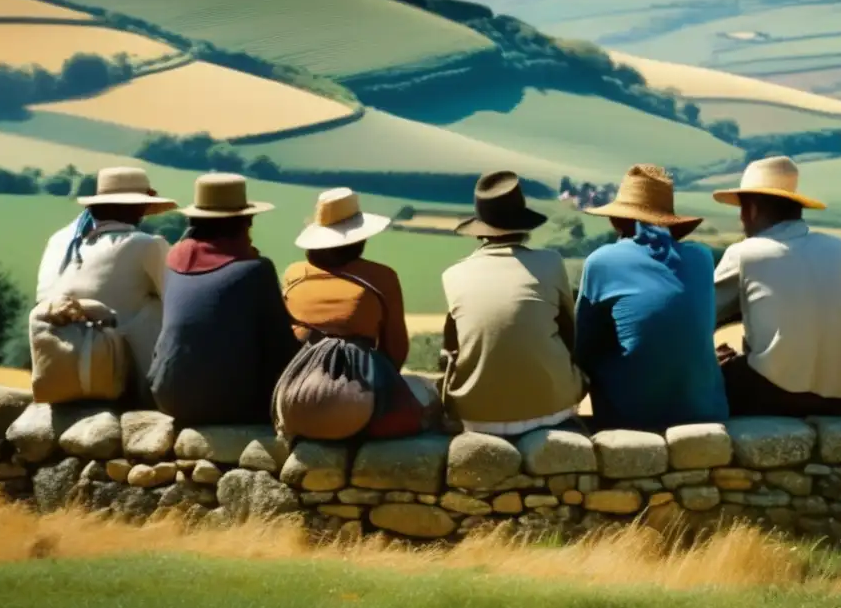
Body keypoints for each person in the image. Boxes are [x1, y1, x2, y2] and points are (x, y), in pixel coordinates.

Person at [711, 155, 841, 417]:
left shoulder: (745, 254)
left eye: (742, 210)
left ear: (752, 209)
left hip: (770, 399)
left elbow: (698, 319)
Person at [575, 164, 729, 432]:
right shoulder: (702, 257)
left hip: (631, 417)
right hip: (707, 411)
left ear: (615, 219)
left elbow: (580, 346)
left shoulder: (602, 262)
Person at [275, 187, 434, 441]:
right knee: (425, 393)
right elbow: (396, 351)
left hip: (292, 400)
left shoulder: (294, 274)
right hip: (356, 404)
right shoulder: (382, 278)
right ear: (358, 238)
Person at [440, 170, 586, 437]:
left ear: (479, 230)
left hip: (476, 416)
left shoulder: (452, 275)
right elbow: (571, 334)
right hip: (551, 408)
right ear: (523, 226)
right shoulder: (551, 263)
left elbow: (452, 349)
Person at [148, 173, 300, 424]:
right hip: (228, 404)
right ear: (241, 224)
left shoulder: (174, 259)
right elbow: (281, 348)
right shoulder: (255, 270)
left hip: (167, 395)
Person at [35, 166, 176, 405]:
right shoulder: (147, 245)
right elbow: (178, 302)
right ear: (139, 208)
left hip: (59, 369)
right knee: (161, 303)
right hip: (121, 374)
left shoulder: (59, 242)